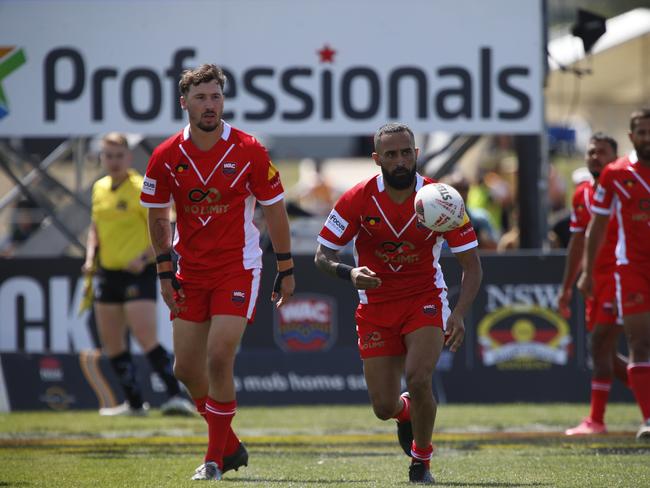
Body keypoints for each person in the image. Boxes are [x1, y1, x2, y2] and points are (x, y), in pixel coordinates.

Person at [140, 64, 295, 481]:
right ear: (184, 103)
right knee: (186, 370)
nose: (210, 105)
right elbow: (157, 218)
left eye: (216, 97)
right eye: (201, 97)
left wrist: (285, 266)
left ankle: (213, 459)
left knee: (219, 356)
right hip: (189, 270)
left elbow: (275, 209)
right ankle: (229, 446)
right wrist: (164, 271)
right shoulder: (166, 155)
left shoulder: (249, 149)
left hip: (237, 267)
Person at [314, 122, 482, 484]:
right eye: (391, 154)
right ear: (377, 159)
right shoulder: (357, 197)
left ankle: (421, 461)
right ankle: (404, 412)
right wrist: (349, 273)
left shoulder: (442, 199)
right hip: (375, 307)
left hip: (424, 299)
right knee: (382, 407)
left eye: (407, 152)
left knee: (420, 379)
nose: (401, 160)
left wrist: (460, 313)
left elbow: (472, 266)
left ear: (416, 154)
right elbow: (322, 255)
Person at [82, 132, 194, 417]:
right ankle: (133, 403)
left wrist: (144, 256)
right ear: (102, 158)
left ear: (128, 157)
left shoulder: (140, 186)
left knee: (145, 337)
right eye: (109, 155)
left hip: (139, 272)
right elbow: (95, 227)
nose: (114, 161)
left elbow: (163, 226)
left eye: (119, 155)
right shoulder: (99, 188)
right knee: (112, 341)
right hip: (108, 272)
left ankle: (176, 396)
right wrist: (90, 257)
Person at [578, 109, 650, 440]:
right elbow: (594, 228)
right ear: (632, 136)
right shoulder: (614, 175)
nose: (647, 138)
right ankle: (647, 419)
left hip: (620, 273)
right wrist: (587, 272)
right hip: (629, 269)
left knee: (606, 345)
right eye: (642, 132)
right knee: (636, 342)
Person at [557, 132, 629, 435]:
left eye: (602, 152)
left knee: (602, 345)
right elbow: (577, 243)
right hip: (594, 282)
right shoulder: (582, 195)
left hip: (621, 276)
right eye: (591, 152)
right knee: (604, 354)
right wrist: (567, 286)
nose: (595, 157)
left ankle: (596, 420)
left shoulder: (627, 189)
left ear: (615, 157)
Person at [440, 172, 498, 250]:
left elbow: (494, 247)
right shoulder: (435, 220)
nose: (461, 194)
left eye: (465, 189)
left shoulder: (480, 219)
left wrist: (476, 238)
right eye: (456, 189)